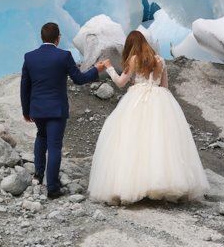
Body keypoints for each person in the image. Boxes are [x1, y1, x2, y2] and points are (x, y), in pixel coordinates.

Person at [88, 30, 209, 204]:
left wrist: (109, 67)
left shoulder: (134, 59)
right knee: (161, 142)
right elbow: (165, 86)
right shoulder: (160, 60)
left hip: (137, 99)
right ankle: (164, 182)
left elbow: (120, 83)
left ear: (132, 45)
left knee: (134, 140)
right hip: (161, 100)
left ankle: (134, 184)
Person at [20, 22, 107, 199]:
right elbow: (79, 79)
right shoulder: (64, 56)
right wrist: (96, 70)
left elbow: (24, 86)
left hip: (37, 108)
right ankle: (52, 188)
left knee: (41, 137)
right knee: (54, 147)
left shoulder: (29, 57)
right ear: (58, 38)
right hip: (56, 109)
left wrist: (26, 110)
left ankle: (38, 174)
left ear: (42, 37)